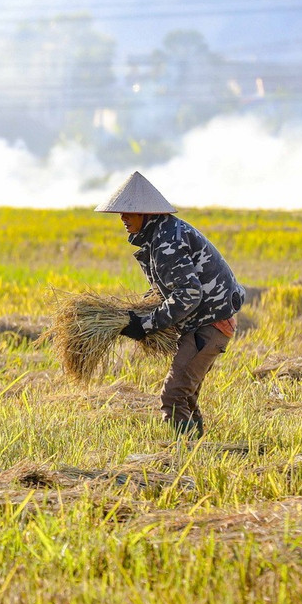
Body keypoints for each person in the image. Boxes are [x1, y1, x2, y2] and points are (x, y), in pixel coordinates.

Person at [95, 171, 244, 438]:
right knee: (184, 396)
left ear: (147, 213)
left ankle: (184, 457)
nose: (123, 218)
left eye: (129, 212)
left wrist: (146, 325)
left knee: (174, 396)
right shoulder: (162, 234)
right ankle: (197, 452)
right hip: (203, 324)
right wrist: (139, 312)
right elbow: (166, 288)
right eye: (121, 212)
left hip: (208, 326)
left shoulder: (167, 241)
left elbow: (188, 294)